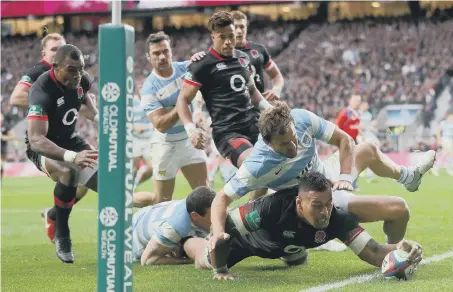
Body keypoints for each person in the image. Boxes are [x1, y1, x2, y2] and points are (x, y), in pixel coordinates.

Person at [209, 102, 435, 255]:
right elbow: (222, 198)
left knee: (368, 148)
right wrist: (219, 232)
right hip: (310, 202)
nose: (293, 146)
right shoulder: (258, 164)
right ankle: (388, 255)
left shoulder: (302, 119)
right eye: (284, 145)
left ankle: (408, 178)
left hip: (326, 181)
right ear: (268, 144)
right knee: (399, 209)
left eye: (293, 138)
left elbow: (345, 140)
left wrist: (346, 177)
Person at [184, 172, 424, 280]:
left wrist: (402, 248)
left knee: (296, 257)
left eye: (328, 204)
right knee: (206, 258)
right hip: (249, 244)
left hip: (288, 245)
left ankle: (294, 253)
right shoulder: (270, 208)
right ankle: (187, 242)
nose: (325, 211)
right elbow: (225, 228)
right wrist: (220, 267)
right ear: (299, 203)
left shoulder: (336, 218)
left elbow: (373, 251)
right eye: (317, 205)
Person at [26, 44, 99, 263]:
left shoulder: (82, 79)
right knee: (70, 172)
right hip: (44, 147)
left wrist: (98, 118)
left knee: (110, 185)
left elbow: (84, 100)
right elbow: (37, 139)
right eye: (71, 69)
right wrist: (71, 156)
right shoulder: (41, 90)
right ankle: (63, 234)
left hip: (71, 140)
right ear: (55, 67)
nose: (77, 75)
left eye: (80, 69)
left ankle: (53, 215)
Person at [175, 11, 272, 170]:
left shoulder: (242, 58)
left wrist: (270, 110)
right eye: (222, 37)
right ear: (213, 37)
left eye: (231, 36)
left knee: (277, 163)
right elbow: (183, 100)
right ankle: (226, 195)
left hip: (254, 124)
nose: (228, 42)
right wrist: (191, 130)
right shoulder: (202, 65)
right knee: (255, 167)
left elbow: (252, 91)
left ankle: (256, 197)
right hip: (229, 132)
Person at [141, 31, 209, 204]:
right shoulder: (149, 88)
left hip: (188, 140)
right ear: (149, 57)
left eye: (165, 51)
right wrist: (182, 104)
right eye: (156, 53)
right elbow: (160, 124)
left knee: (205, 194)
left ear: (171, 51)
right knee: (161, 201)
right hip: (165, 145)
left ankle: (206, 230)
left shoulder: (186, 68)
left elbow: (203, 84)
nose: (162, 56)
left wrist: (202, 57)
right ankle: (122, 201)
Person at [133, 186, 215, 266]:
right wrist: (186, 261)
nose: (217, 217)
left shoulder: (194, 203)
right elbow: (147, 260)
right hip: (133, 238)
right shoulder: (174, 228)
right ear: (195, 215)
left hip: (145, 215)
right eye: (212, 215)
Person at [232, 10, 284, 102]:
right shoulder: (221, 53)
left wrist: (277, 89)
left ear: (246, 28)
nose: (239, 31)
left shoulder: (259, 50)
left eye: (242, 27)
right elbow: (204, 82)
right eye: (235, 27)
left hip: (258, 109)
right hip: (233, 110)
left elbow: (276, 75)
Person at [10, 33, 66, 109]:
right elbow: (16, 98)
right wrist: (52, 103)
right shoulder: (38, 71)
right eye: (54, 49)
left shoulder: (70, 72)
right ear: (44, 54)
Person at [358, 101, 379, 182]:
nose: (367, 106)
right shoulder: (357, 114)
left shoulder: (368, 115)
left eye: (367, 105)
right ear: (362, 105)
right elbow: (359, 126)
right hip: (360, 136)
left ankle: (368, 174)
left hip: (367, 136)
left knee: (370, 155)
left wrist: (372, 127)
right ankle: (362, 171)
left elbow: (369, 126)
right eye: (365, 105)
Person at [434, 110, 453, 176]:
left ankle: (448, 169)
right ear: (448, 116)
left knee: (448, 155)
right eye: (451, 116)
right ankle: (437, 168)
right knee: (445, 154)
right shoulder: (444, 123)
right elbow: (438, 131)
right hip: (446, 139)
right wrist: (439, 139)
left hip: (451, 140)